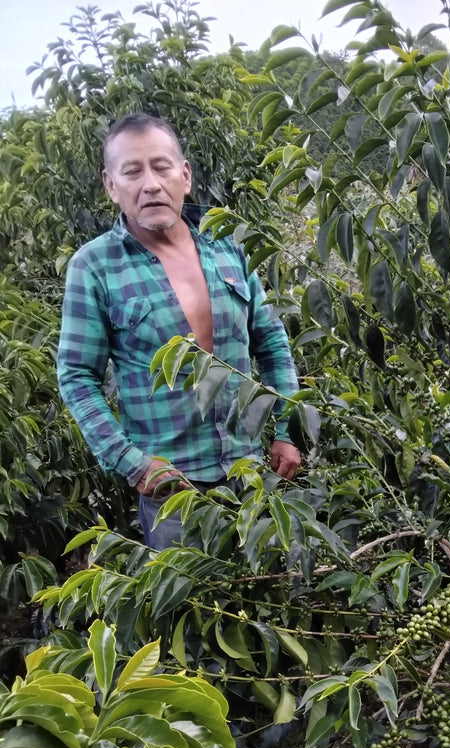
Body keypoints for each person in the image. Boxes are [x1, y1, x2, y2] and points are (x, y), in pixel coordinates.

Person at [57, 112, 301, 550]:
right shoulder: (94, 266)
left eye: (161, 166)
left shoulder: (228, 246)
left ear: (184, 176)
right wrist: (133, 464)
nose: (150, 183)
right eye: (132, 171)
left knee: (269, 599)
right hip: (173, 490)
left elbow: (271, 340)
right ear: (112, 186)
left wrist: (287, 431)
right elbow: (77, 376)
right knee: (192, 611)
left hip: (250, 469)